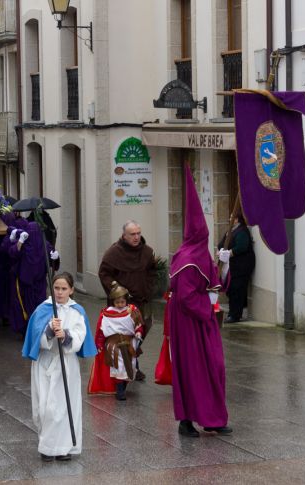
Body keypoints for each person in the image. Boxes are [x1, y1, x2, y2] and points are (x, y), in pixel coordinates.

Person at [168, 164, 231, 438]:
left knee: (214, 367)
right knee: (193, 371)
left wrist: (225, 265)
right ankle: (188, 420)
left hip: (203, 322)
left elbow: (216, 282)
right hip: (189, 323)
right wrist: (207, 303)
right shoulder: (186, 259)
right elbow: (185, 297)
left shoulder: (200, 253)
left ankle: (213, 418)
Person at [22, 272, 96, 462]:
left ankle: (64, 447)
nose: (60, 293)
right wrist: (48, 332)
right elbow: (33, 338)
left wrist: (65, 335)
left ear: (71, 290)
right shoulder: (43, 310)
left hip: (66, 363)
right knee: (45, 406)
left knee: (65, 405)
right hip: (45, 361)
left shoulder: (77, 311)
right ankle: (46, 446)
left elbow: (80, 336)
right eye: (57, 288)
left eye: (64, 289)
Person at [98, 220, 156, 380]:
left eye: (138, 233)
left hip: (140, 301)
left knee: (138, 335)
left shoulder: (147, 252)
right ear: (124, 235)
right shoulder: (113, 253)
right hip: (120, 304)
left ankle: (133, 365)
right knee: (122, 338)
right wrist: (117, 290)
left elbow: (152, 271)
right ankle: (123, 370)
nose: (136, 237)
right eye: (132, 234)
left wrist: (148, 287)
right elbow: (104, 274)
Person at [88, 282, 145, 400]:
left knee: (130, 366)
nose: (120, 304)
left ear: (126, 300)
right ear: (113, 301)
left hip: (130, 343)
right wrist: (98, 344)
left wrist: (139, 332)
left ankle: (123, 387)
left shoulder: (132, 310)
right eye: (117, 302)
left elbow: (138, 324)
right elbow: (100, 330)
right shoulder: (106, 313)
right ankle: (119, 391)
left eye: (122, 302)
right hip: (114, 345)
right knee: (118, 366)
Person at [218, 214, 256, 323]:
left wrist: (228, 253)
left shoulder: (242, 231)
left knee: (237, 290)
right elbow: (221, 244)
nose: (229, 219)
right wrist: (220, 250)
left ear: (236, 220)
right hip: (232, 267)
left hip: (241, 267)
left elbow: (242, 247)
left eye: (231, 217)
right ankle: (231, 313)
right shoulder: (230, 231)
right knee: (231, 289)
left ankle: (235, 315)